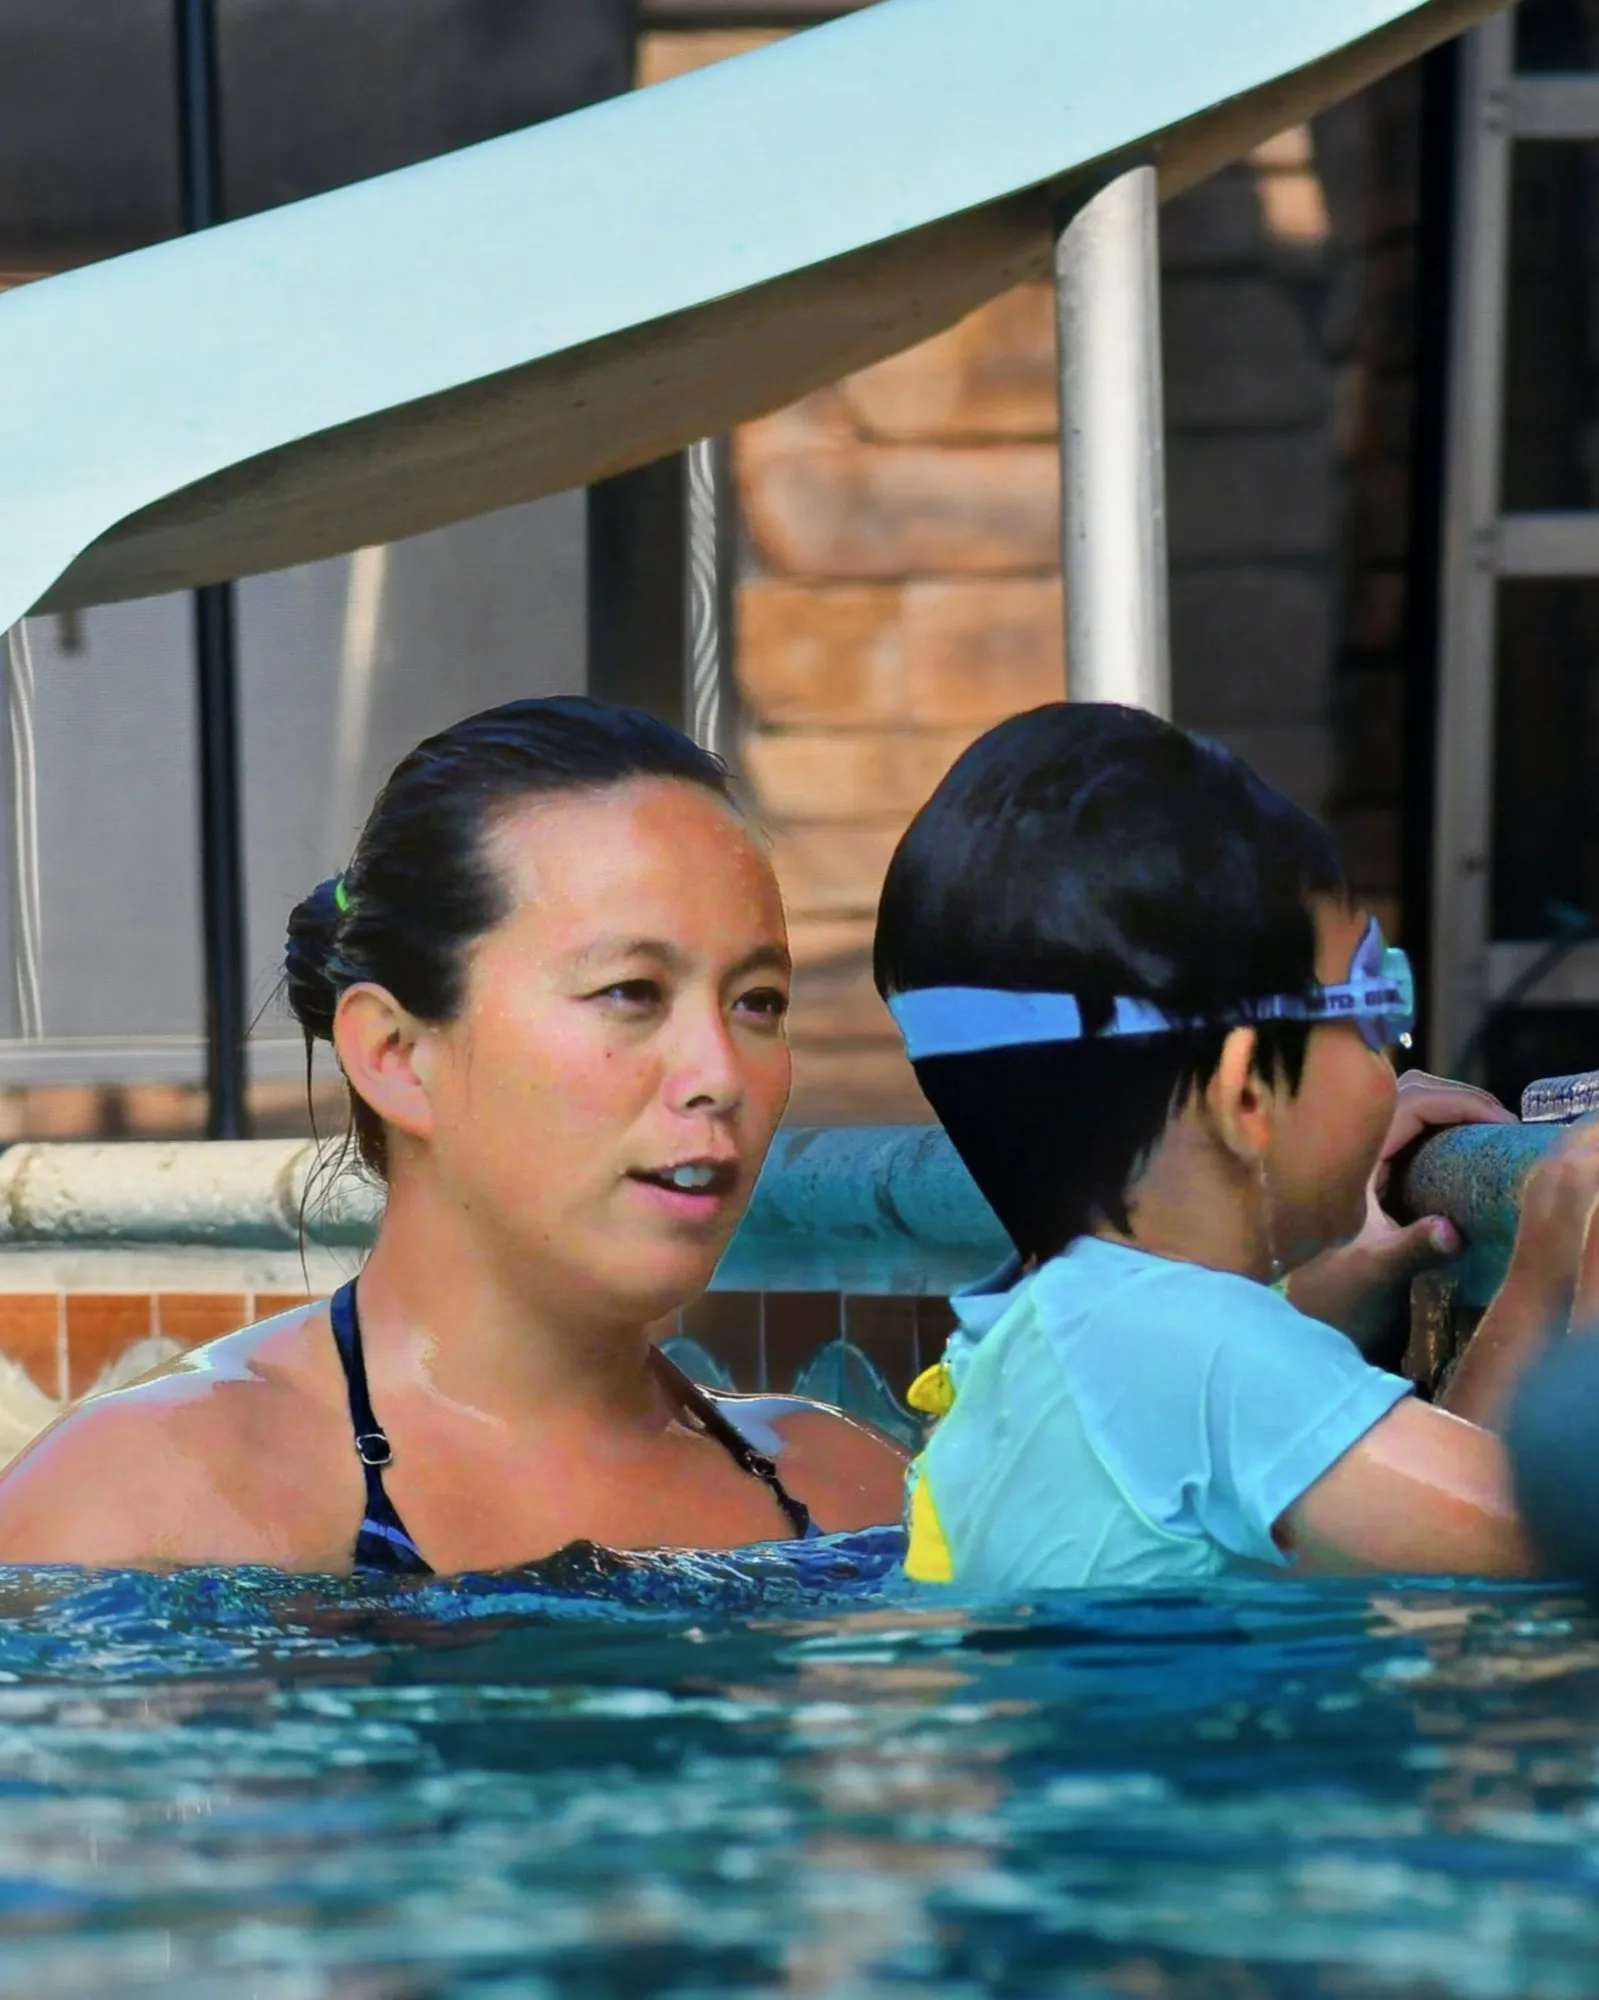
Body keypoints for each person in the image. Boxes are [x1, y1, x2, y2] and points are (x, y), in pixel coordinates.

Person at [0, 698, 907, 1573]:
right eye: (631, 991)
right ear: (396, 1053)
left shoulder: (849, 1495)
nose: (718, 1072)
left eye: (758, 1003)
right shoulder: (139, 1507)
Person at [872, 702, 1599, 1590]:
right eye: (1372, 1008)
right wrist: (1576, 1268)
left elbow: (1448, 1566)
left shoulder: (1050, 1337)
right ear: (1248, 1090)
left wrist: (1526, 1276)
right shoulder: (1187, 1348)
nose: (1393, 1068)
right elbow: (1560, 1543)